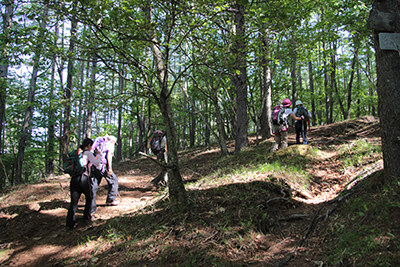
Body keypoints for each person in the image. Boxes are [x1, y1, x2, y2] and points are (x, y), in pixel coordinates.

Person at [66, 138, 101, 231]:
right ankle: (87, 217)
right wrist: (98, 155)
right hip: (84, 178)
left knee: (74, 201)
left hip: (74, 179)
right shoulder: (88, 153)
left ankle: (69, 223)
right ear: (89, 145)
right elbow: (97, 163)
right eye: (91, 146)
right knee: (89, 197)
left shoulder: (77, 152)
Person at [90, 135, 120, 216]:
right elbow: (109, 155)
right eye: (114, 143)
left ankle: (91, 208)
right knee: (114, 180)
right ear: (112, 141)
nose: (114, 144)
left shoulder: (98, 141)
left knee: (93, 185)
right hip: (102, 166)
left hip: (93, 165)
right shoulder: (110, 144)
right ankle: (111, 200)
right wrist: (110, 168)